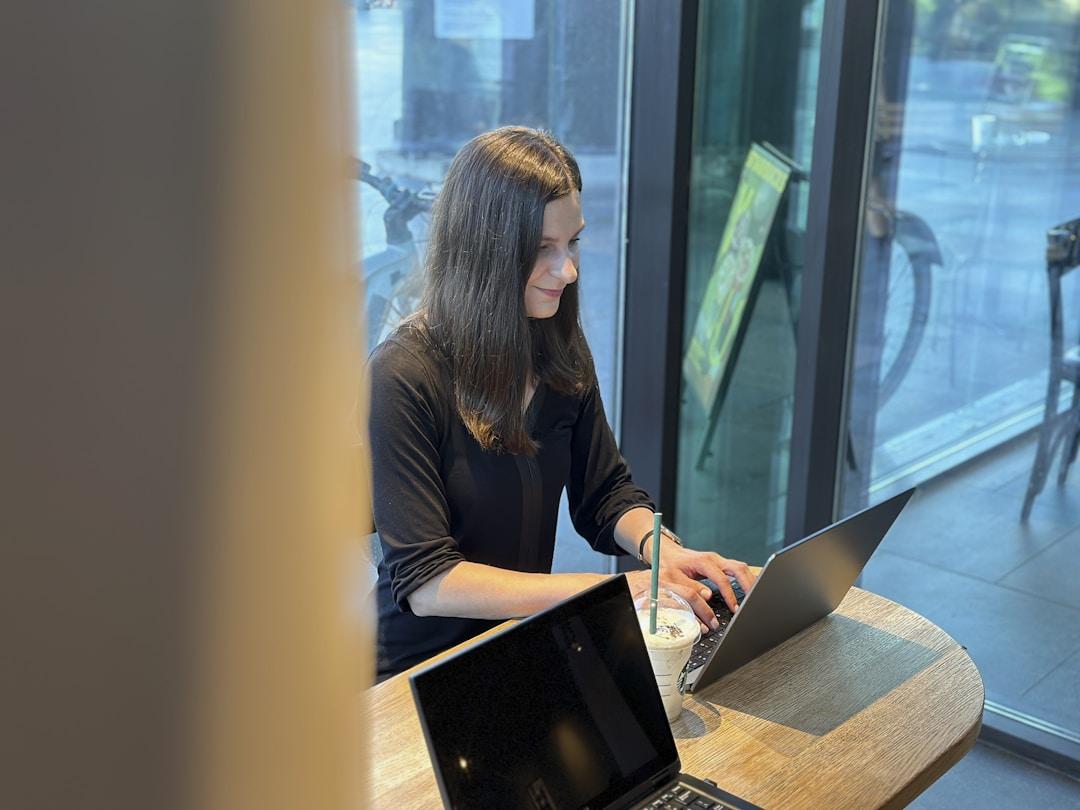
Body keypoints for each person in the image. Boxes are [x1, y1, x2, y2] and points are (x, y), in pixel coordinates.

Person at [368, 126, 756, 679]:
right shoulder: (403, 373)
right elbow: (428, 583)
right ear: (484, 252)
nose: (568, 269)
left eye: (572, 242)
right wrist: (610, 592)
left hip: (519, 646)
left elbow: (605, 493)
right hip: (418, 672)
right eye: (542, 250)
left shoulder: (555, 344)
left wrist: (659, 551)